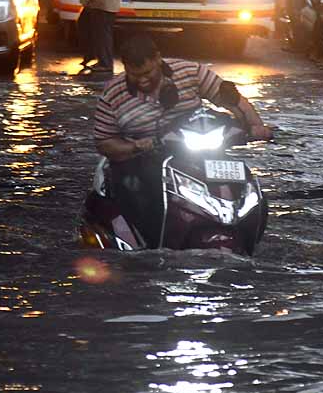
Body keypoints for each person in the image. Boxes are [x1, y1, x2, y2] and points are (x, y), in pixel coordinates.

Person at [93, 34, 271, 246]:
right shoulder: (113, 94)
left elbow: (233, 100)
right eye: (135, 74)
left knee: (245, 185)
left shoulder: (190, 72)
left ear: (158, 59)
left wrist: (256, 127)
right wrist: (135, 146)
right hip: (143, 159)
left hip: (195, 151)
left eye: (148, 72)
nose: (142, 80)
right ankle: (151, 246)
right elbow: (104, 142)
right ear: (125, 67)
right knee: (143, 196)